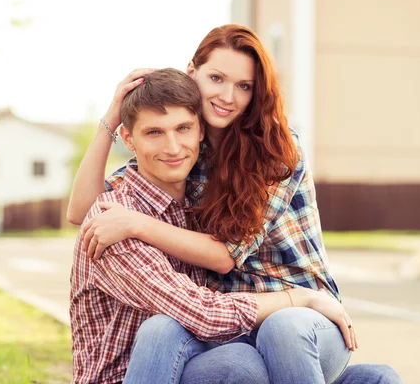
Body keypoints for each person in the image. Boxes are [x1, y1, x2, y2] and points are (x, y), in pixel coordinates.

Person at [68, 25, 403, 383]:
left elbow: (225, 256)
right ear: (191, 73)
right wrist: (112, 115)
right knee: (211, 349)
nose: (228, 96)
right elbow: (83, 210)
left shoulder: (275, 150)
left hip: (303, 314)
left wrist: (136, 223)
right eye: (216, 78)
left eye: (244, 86)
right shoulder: (185, 156)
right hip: (233, 321)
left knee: (282, 331)